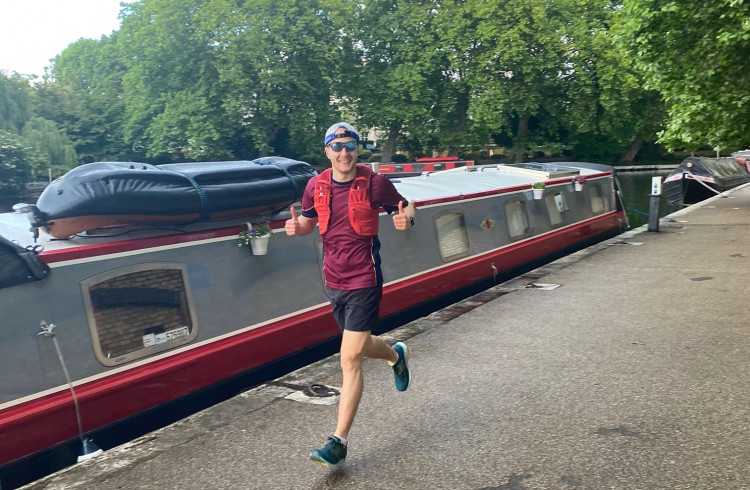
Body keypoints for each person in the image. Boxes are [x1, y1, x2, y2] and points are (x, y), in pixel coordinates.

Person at [285, 122, 415, 468]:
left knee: (349, 359)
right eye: (337, 146)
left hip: (364, 280)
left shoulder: (375, 183)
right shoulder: (315, 186)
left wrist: (407, 220)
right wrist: (298, 229)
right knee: (360, 346)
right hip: (333, 281)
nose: (345, 152)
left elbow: (407, 206)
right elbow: (310, 223)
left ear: (358, 150)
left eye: (351, 145)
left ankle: (338, 443)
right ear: (327, 151)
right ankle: (395, 355)